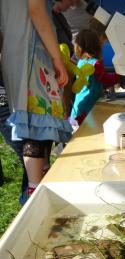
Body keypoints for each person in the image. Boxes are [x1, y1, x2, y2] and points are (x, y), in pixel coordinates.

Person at [0, 0, 73, 199]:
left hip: (13, 51)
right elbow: (36, 8)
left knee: (34, 122)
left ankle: (38, 185)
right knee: (38, 122)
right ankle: (35, 194)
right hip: (31, 50)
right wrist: (57, 58)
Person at [70, 29, 119, 125]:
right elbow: (105, 80)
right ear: (97, 45)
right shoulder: (96, 64)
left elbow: (97, 81)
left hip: (78, 108)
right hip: (87, 110)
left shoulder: (81, 62)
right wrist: (119, 76)